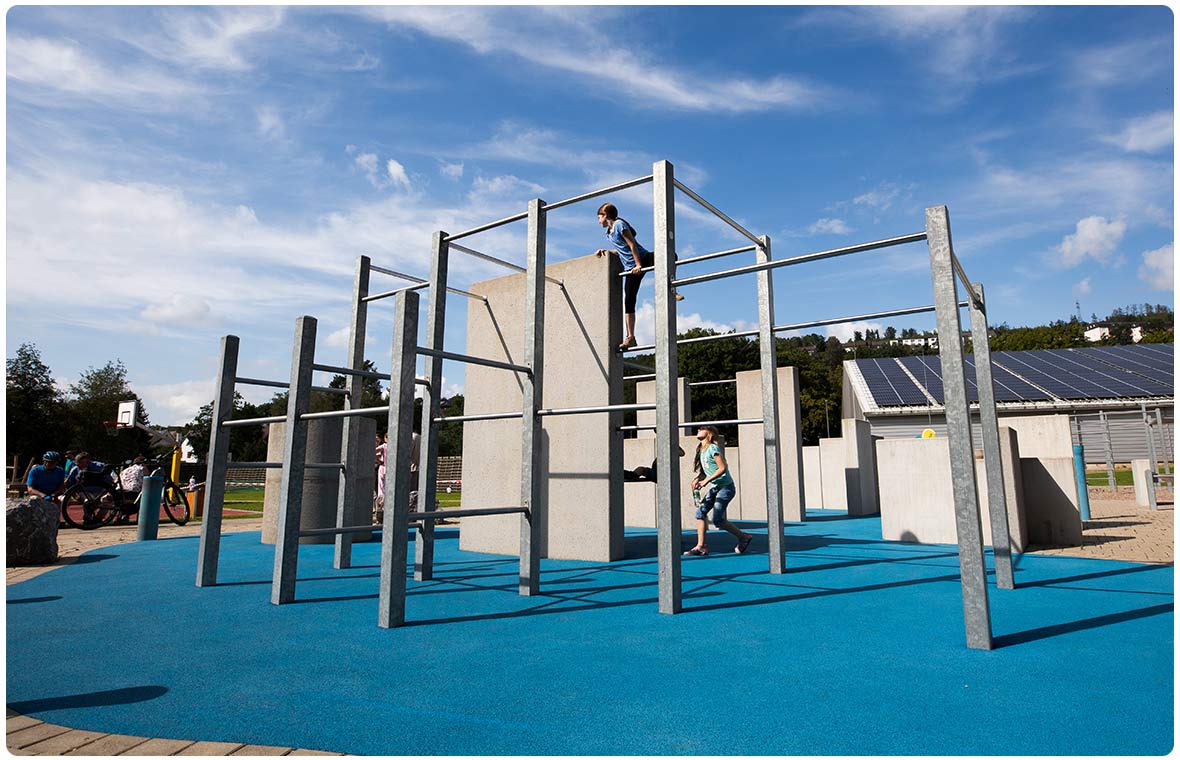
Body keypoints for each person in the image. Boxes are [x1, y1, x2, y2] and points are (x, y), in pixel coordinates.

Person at [594, 203, 682, 352]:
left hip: (642, 259)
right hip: (631, 269)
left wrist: (638, 264)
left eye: (599, 217)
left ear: (605, 215)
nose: (598, 221)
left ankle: (671, 290)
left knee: (671, 256)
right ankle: (630, 338)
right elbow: (622, 250)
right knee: (629, 301)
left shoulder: (619, 225)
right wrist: (606, 251)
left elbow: (632, 245)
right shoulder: (609, 233)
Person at [683, 426, 753, 556]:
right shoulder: (701, 450)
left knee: (717, 520)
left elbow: (722, 468)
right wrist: (697, 479)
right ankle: (701, 546)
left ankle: (744, 537)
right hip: (715, 487)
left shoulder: (713, 448)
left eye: (702, 428)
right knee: (700, 513)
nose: (698, 429)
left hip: (726, 488)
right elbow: (706, 471)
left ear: (709, 433)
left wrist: (706, 481)